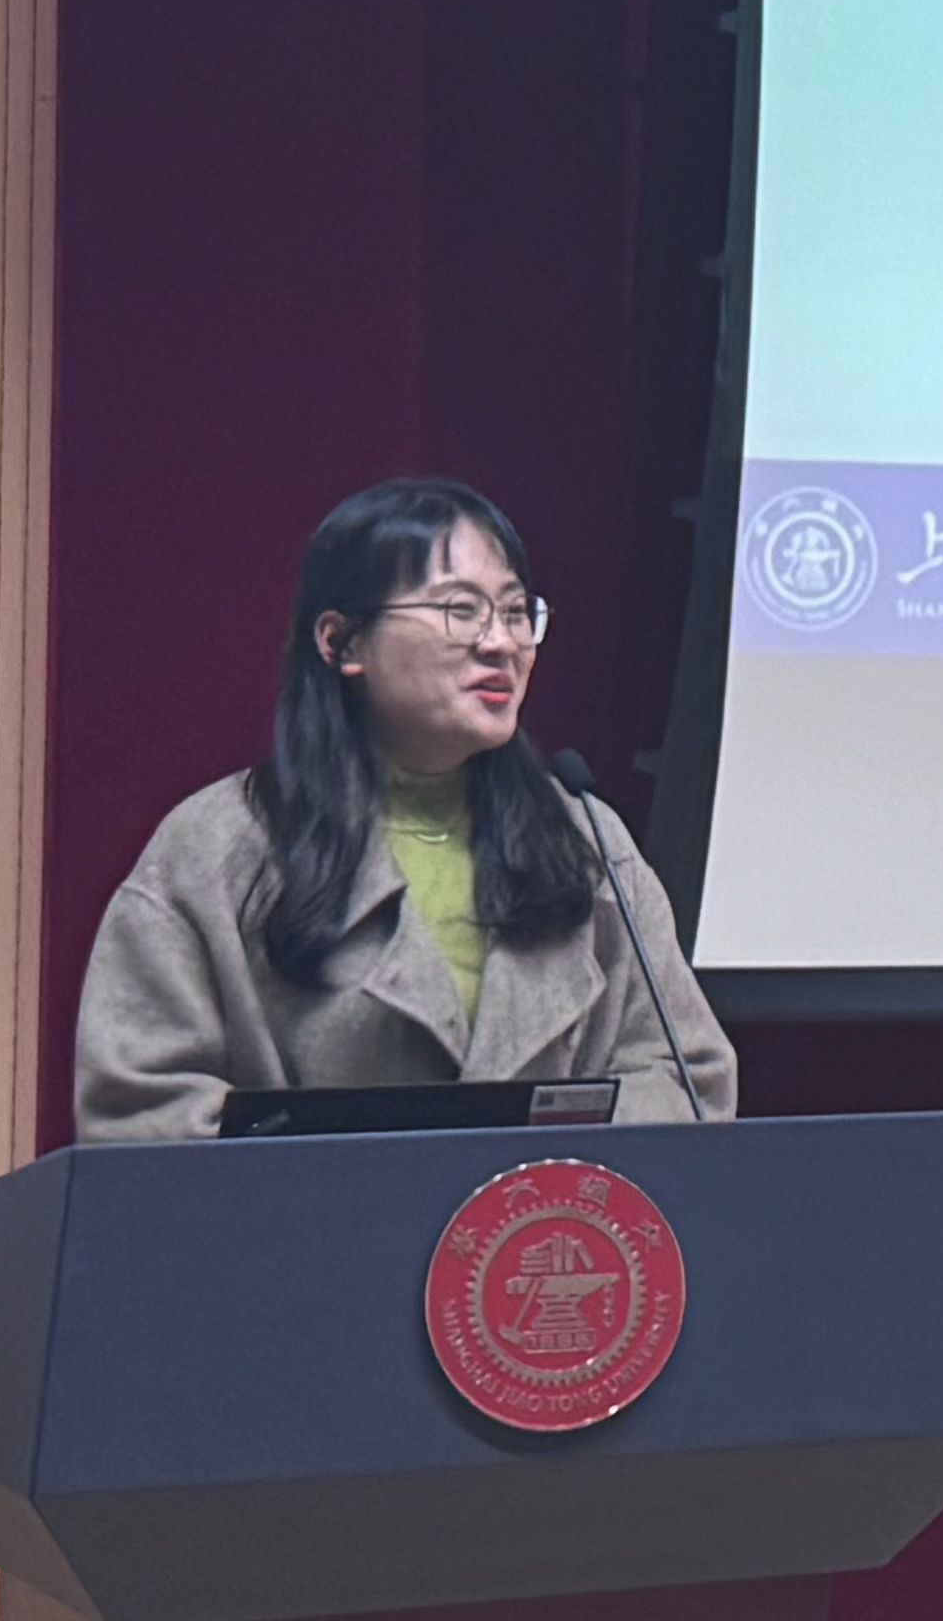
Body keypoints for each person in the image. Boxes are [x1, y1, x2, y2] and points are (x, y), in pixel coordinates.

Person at [74, 474, 738, 1135]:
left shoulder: (585, 839)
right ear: (342, 642)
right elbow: (142, 1108)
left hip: (548, 1205)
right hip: (312, 1208)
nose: (501, 643)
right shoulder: (218, 845)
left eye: (515, 612)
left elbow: (685, 1075)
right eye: (461, 610)